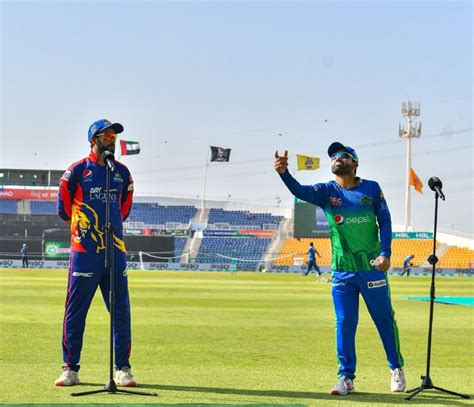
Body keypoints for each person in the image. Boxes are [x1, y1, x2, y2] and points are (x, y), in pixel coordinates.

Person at [275, 143, 406, 395]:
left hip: (372, 269)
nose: (337, 159)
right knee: (345, 322)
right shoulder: (326, 191)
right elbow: (300, 191)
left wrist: (385, 254)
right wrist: (284, 173)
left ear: (354, 163)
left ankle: (396, 368)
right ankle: (346, 378)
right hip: (342, 270)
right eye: (334, 157)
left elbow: (385, 220)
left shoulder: (371, 188)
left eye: (343, 156)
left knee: (384, 320)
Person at [55, 119, 136, 387]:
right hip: (84, 252)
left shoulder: (123, 173)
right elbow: (64, 209)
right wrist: (83, 232)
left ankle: (123, 369)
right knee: (76, 310)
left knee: (121, 311)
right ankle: (70, 369)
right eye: (107, 135)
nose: (112, 138)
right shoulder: (76, 171)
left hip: (115, 251)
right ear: (94, 139)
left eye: (114, 135)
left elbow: (124, 209)